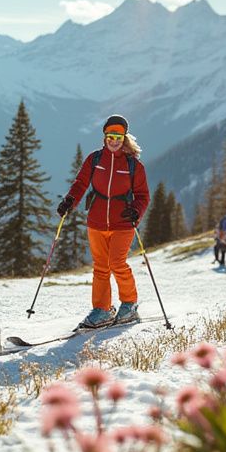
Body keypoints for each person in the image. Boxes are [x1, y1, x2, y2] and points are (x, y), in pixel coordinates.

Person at [55, 115, 151, 329]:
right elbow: (80, 183)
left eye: (118, 136)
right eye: (110, 136)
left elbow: (143, 196)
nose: (114, 140)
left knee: (117, 263)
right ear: (105, 137)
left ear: (124, 137)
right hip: (96, 221)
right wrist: (70, 201)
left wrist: (136, 210)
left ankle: (129, 304)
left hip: (123, 222)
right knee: (100, 267)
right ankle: (102, 309)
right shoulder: (95, 159)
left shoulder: (133, 165)